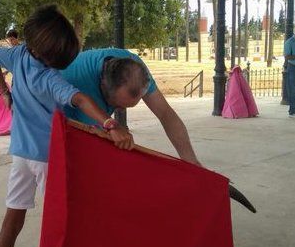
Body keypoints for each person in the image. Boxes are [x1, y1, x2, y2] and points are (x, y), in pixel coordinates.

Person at [0, 5, 134, 247]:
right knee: (65, 226)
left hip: (21, 156)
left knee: (12, 221)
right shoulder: (50, 79)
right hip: (50, 160)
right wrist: (111, 124)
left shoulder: (16, 56)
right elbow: (81, 99)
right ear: (51, 55)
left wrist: (4, 92)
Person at [60, 48, 201, 164]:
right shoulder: (81, 87)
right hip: (56, 122)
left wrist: (191, 162)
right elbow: (87, 146)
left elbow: (165, 113)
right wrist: (112, 126)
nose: (120, 110)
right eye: (118, 105)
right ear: (102, 86)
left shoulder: (136, 70)